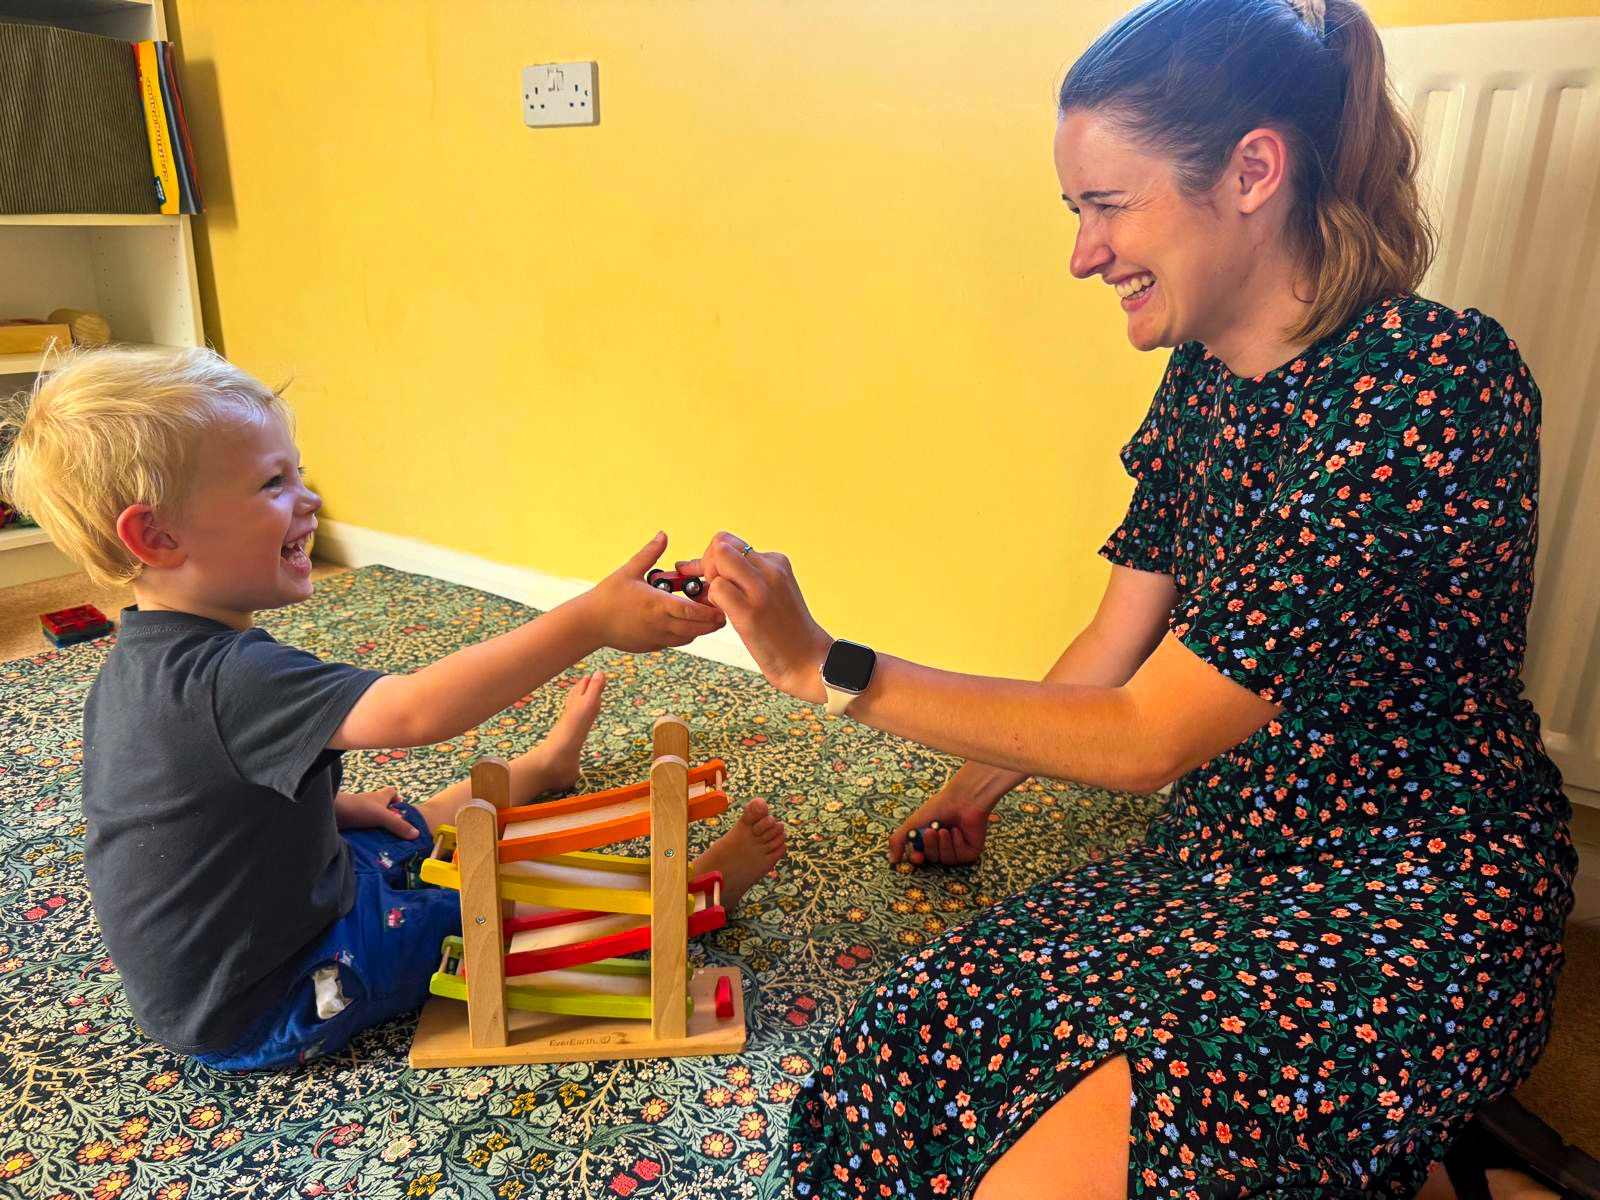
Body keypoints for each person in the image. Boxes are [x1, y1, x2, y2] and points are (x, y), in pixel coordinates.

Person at [678, 0, 1574, 1194]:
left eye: (1108, 205)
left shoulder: (1432, 389)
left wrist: (829, 667)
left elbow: (1151, 738)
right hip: (1220, 859)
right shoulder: (1204, 382)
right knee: (893, 1067)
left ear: (1253, 170)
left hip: (1410, 894)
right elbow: (1115, 640)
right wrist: (974, 791)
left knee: (1077, 1165)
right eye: (1077, 212)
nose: (1083, 252)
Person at [0, 347, 787, 1070]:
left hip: (259, 927)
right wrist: (585, 623)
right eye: (273, 484)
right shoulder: (233, 677)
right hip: (274, 994)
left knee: (405, 824)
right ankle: (682, 902)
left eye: (297, 473)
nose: (308, 500)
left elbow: (185, 807)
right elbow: (415, 714)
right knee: (490, 921)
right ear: (159, 537)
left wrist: (334, 803)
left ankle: (545, 767)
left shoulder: (139, 659)